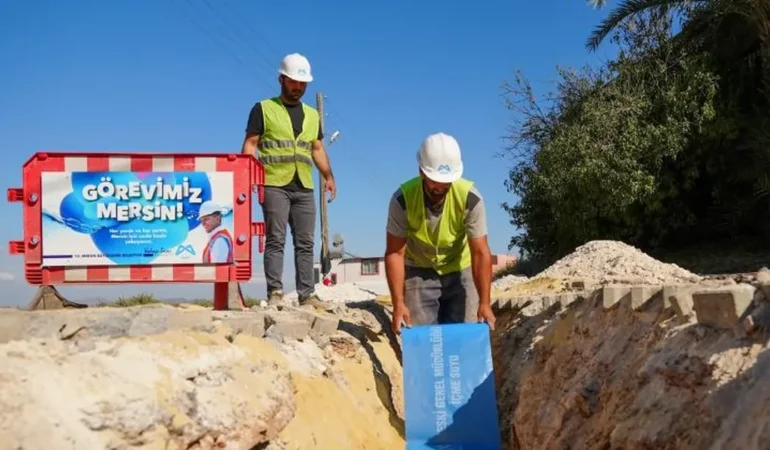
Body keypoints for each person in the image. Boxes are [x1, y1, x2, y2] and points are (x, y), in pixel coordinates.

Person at [241, 53, 336, 308]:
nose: (299, 87)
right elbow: (250, 144)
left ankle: (307, 295)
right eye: (294, 82)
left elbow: (316, 148)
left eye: (303, 83)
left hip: (303, 185)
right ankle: (275, 293)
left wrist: (328, 176)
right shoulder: (264, 109)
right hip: (273, 183)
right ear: (282, 79)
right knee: (276, 239)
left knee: (305, 242)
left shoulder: (313, 115)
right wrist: (245, 175)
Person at [384, 132, 496, 334]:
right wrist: (398, 303)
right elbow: (395, 253)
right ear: (421, 172)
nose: (441, 187)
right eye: (435, 181)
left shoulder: (471, 198)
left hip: (460, 268)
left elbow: (480, 252)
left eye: (446, 182)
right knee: (425, 339)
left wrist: (485, 303)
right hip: (418, 269)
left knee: (465, 335)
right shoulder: (402, 200)